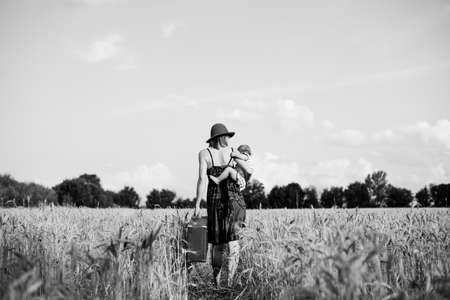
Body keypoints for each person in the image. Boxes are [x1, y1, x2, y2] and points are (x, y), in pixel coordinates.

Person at [193, 123, 247, 287]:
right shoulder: (231, 151)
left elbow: (203, 179)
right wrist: (241, 179)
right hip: (234, 197)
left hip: (214, 198)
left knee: (217, 243)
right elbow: (249, 169)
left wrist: (197, 204)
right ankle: (229, 284)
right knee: (234, 241)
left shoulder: (204, 153)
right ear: (223, 137)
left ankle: (216, 283)